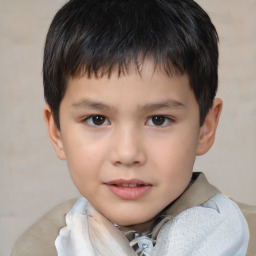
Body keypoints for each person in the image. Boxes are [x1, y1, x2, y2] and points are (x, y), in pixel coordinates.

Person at [12, 0, 255, 255]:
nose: (127, 154)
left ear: (205, 127)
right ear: (56, 131)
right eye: (97, 119)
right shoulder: (40, 248)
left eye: (158, 120)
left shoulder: (249, 237)